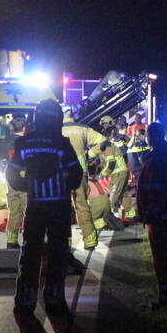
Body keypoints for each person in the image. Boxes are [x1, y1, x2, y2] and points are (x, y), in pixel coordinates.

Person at [7, 99, 82, 314]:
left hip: (35, 206)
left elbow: (12, 173)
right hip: (58, 207)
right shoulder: (62, 143)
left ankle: (25, 299)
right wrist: (63, 186)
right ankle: (54, 298)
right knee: (57, 252)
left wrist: (26, 186)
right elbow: (76, 175)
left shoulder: (25, 143)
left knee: (30, 250)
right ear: (57, 117)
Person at [135, 122, 167, 308]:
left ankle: (166, 299)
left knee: (161, 258)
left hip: (159, 217)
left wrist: (150, 213)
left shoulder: (156, 159)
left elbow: (156, 190)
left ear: (151, 136)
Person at [62, 106, 107, 250]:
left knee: (61, 208)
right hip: (80, 171)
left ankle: (65, 243)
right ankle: (90, 240)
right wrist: (90, 154)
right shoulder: (82, 128)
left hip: (61, 173)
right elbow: (103, 140)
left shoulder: (56, 129)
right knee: (81, 205)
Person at [0, 117, 29, 248]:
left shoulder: (6, 142)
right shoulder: (26, 142)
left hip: (11, 179)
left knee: (14, 211)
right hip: (25, 180)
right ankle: (29, 240)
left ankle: (11, 241)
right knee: (29, 211)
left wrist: (4, 170)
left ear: (12, 129)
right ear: (25, 128)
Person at [98, 140, 132, 220]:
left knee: (113, 196)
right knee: (120, 194)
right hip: (120, 172)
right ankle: (128, 214)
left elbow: (111, 164)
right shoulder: (111, 146)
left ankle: (112, 218)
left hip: (119, 173)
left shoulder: (108, 149)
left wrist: (102, 174)